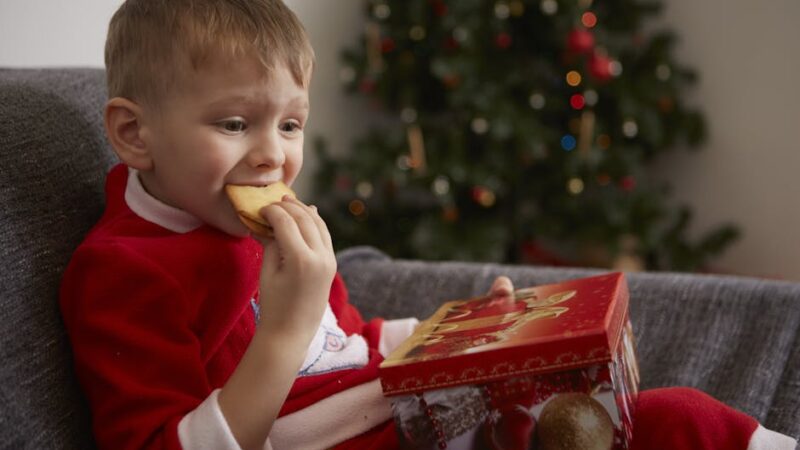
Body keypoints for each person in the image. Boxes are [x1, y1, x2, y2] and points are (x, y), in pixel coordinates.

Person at [59, 1, 797, 449]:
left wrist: (469, 333)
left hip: (419, 414)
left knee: (679, 419)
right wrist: (287, 327)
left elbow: (348, 343)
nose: (273, 156)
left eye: (290, 124)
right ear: (134, 135)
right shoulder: (124, 270)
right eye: (232, 122)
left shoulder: (268, 225)